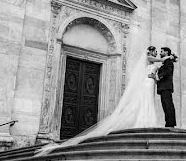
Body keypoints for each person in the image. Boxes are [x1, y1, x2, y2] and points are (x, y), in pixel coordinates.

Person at [37, 45, 172, 153]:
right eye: (156, 51)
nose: (157, 53)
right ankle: (143, 121)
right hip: (147, 83)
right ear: (151, 52)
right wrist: (170, 57)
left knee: (146, 102)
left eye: (158, 52)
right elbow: (162, 62)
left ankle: (145, 121)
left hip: (149, 83)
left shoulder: (152, 62)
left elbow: (161, 69)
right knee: (144, 101)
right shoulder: (150, 58)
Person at [157, 47, 178, 128]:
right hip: (163, 87)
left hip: (166, 87)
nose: (160, 53)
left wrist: (159, 76)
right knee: (165, 105)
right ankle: (168, 123)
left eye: (161, 51)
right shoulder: (165, 62)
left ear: (166, 52)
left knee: (168, 105)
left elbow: (168, 72)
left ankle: (171, 124)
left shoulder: (168, 61)